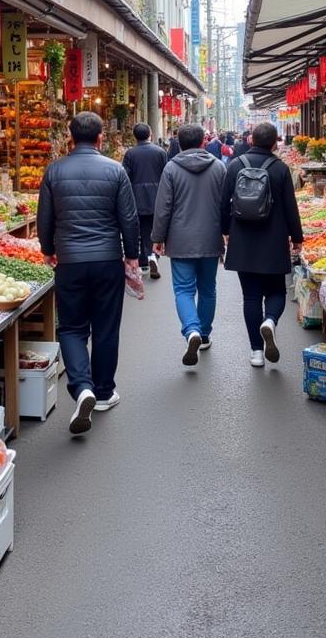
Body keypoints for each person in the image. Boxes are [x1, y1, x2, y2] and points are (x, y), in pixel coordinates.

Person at [37, 111, 140, 435]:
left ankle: (82, 387)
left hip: (70, 260)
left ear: (70, 137)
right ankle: (104, 392)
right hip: (108, 258)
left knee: (71, 328)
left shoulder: (54, 170)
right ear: (100, 139)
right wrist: (133, 256)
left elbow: (45, 218)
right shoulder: (115, 170)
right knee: (106, 327)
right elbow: (129, 217)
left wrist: (47, 249)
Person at [220, 121, 303, 367]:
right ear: (276, 142)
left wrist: (225, 232)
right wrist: (297, 238)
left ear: (251, 140)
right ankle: (270, 321)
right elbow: (290, 207)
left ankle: (256, 351)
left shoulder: (235, 166)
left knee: (251, 297)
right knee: (276, 291)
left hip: (243, 240)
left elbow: (224, 203)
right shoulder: (280, 168)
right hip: (273, 239)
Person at [151, 123, 227, 366]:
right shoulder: (218, 167)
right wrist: (226, 234)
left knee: (184, 289)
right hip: (211, 237)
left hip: (181, 239)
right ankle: (203, 334)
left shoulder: (171, 168)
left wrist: (157, 238)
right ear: (204, 142)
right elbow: (226, 205)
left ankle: (191, 330)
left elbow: (163, 208)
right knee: (208, 289)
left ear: (179, 144)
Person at [122, 123, 167, 278]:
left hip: (136, 197)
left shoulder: (130, 154)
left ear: (135, 136)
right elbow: (165, 175)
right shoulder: (160, 152)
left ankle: (143, 258)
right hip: (157, 196)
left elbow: (125, 177)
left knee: (139, 230)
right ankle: (152, 255)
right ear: (150, 134)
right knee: (153, 229)